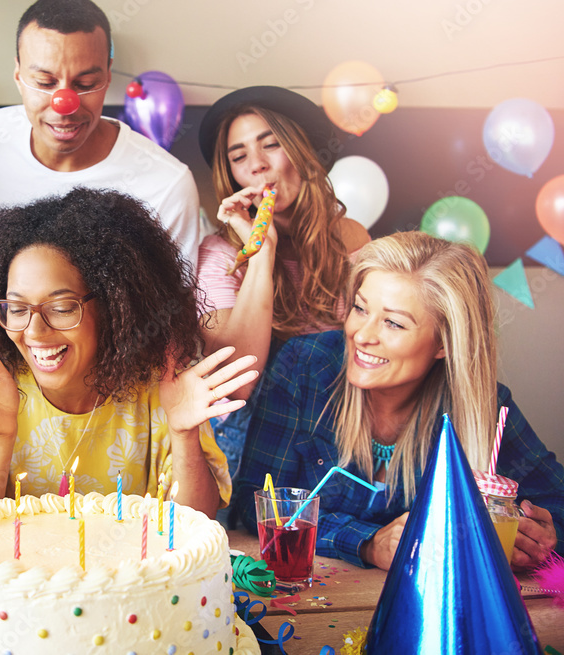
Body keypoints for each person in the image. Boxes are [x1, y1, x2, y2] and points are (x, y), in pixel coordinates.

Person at [0, 187, 259, 518]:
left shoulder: (161, 378)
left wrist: (183, 436)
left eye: (62, 307)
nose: (34, 331)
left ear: (113, 307)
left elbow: (196, 523)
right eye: (17, 309)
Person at [233, 231, 563, 571]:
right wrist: (367, 544)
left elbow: (557, 504)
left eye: (393, 323)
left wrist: (542, 537)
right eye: (360, 308)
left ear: (444, 343)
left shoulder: (482, 407)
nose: (361, 335)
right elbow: (254, 502)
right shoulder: (304, 366)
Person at [195, 86, 371, 479]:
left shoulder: (353, 239)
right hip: (251, 451)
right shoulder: (219, 256)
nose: (256, 165)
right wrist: (262, 250)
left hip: (343, 432)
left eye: (270, 145)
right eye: (239, 157)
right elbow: (236, 386)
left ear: (303, 150)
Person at [0, 0, 204, 270]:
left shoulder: (167, 185)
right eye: (45, 83)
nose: (65, 104)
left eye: (85, 84)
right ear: (18, 75)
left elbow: (175, 302)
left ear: (108, 75)